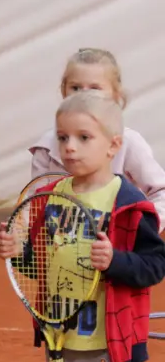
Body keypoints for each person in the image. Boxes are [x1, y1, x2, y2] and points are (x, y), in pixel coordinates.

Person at [0, 91, 165, 362]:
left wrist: (115, 261)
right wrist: (18, 252)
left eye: (83, 137)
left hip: (109, 348)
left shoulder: (129, 203)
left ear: (113, 146)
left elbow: (155, 265)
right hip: (62, 343)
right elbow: (41, 265)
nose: (70, 147)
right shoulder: (49, 197)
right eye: (63, 138)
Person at [29, 48, 165, 231]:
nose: (83, 95)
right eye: (75, 87)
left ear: (115, 94)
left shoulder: (130, 143)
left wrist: (137, 231)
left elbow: (161, 192)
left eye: (94, 88)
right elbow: (35, 206)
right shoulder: (45, 147)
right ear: (63, 91)